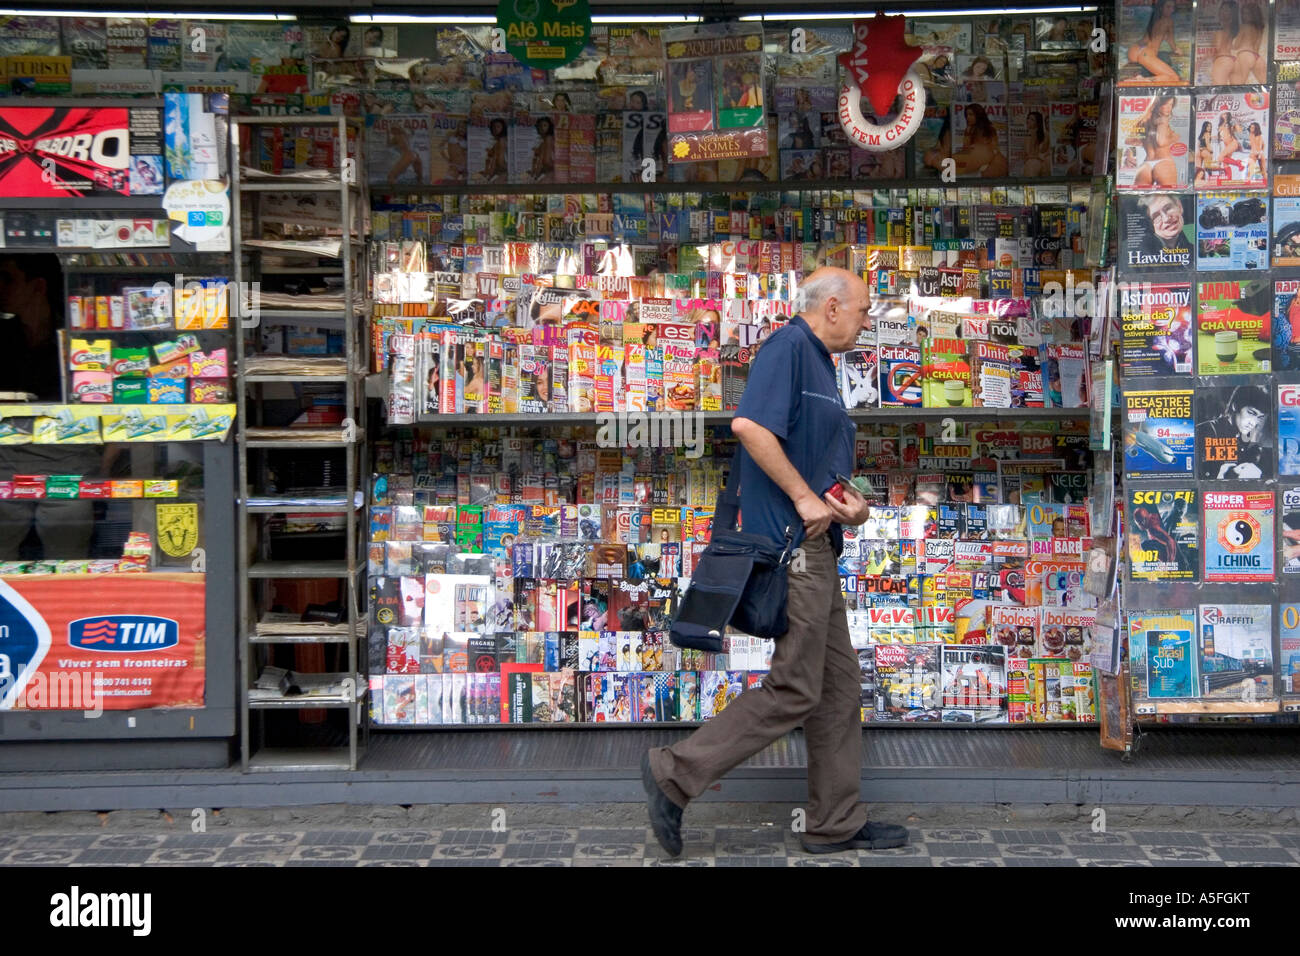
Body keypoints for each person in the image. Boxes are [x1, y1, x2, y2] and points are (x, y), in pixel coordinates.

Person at [642, 267, 910, 857]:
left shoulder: (822, 366)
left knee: (839, 690)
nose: (867, 324)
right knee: (796, 688)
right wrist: (803, 497)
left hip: (819, 546)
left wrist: (849, 506)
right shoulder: (789, 347)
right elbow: (750, 427)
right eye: (864, 312)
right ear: (833, 307)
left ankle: (834, 821)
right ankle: (676, 773)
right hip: (793, 551)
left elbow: (815, 465)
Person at [0, 255, 100, 559]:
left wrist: (103, 462)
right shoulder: (3, 335)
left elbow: (106, 397)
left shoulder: (80, 338)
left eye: (6, 279)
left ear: (38, 286)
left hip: (68, 463)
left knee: (67, 560)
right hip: (5, 462)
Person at [1197, 384, 1269, 479]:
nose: (1253, 423)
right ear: (1235, 406)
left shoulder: (1246, 436)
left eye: (1259, 417)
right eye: (1251, 413)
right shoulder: (1205, 430)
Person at [1128, 95, 1183, 187]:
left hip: (1146, 165)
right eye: (1166, 104)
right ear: (1157, 105)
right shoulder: (1163, 120)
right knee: (1168, 198)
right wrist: (1174, 138)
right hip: (1164, 162)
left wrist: (1143, 142)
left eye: (1171, 104)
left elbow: (1128, 140)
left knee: (1141, 199)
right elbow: (1160, 142)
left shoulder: (1142, 121)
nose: (1169, 108)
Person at [1126, 0, 1182, 84]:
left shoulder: (1153, 19)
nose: (1171, 10)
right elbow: (1171, 40)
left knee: (1168, 76)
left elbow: (1145, 39)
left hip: (1136, 51)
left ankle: (1140, 78)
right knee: (1174, 77)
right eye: (1168, 7)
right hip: (1146, 54)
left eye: (1173, 7)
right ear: (1161, 7)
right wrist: (1176, 49)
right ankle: (1142, 80)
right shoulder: (1168, 21)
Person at [1138, 193, 1191, 259]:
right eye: (1156, 216)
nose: (1166, 219)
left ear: (1179, 206)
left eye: (1168, 208)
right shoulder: (1139, 253)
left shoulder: (1194, 244)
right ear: (1150, 224)